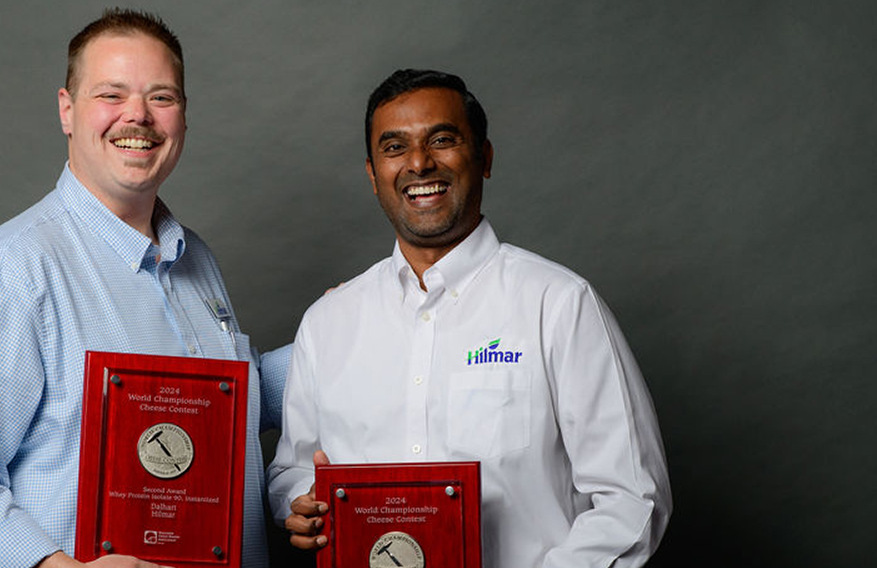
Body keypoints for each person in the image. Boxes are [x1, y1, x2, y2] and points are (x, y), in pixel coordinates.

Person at [0, 9, 289, 568]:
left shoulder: (194, 259)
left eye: (162, 97)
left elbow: (228, 406)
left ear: (183, 116)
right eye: (112, 94)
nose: (138, 117)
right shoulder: (19, 267)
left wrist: (346, 328)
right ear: (67, 110)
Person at [267, 69, 671, 567]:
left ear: (485, 157)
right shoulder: (328, 322)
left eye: (442, 139)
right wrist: (299, 504)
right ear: (373, 176)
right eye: (395, 148)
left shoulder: (560, 305)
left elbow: (634, 499)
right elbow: (291, 469)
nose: (419, 163)